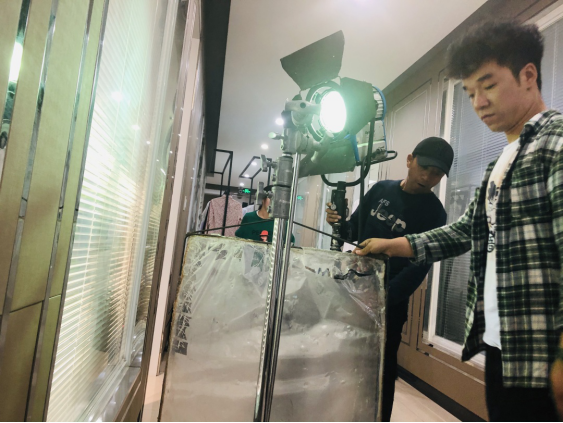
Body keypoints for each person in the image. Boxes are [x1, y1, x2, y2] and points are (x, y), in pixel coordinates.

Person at [355, 21, 563, 422]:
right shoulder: (502, 161)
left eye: (488, 85)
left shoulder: (555, 143)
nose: (479, 102)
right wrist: (392, 245)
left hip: (544, 350)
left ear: (528, 75)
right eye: (470, 93)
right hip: (505, 343)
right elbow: (465, 231)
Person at [326, 137, 453, 422]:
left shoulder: (435, 213)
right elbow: (353, 231)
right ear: (409, 160)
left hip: (390, 303)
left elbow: (419, 267)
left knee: (381, 371)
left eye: (436, 173)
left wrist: (384, 298)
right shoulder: (381, 189)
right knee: (342, 359)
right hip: (353, 287)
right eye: (424, 167)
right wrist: (337, 222)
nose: (428, 176)